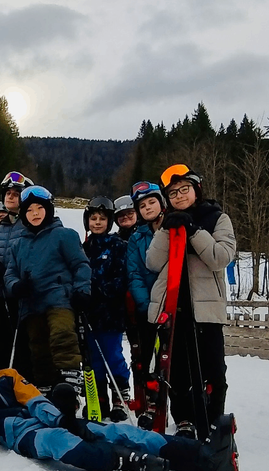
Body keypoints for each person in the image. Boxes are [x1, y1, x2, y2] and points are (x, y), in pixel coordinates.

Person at [0, 331, 238, 471]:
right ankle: (123, 460)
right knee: (58, 441)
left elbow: (34, 399)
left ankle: (206, 456)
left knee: (119, 430)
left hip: (47, 420)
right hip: (21, 433)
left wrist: (61, 417)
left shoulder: (9, 376)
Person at [147, 164, 236, 438]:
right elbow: (152, 262)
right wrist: (165, 231)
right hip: (174, 306)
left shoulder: (217, 218)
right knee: (178, 372)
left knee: (214, 370)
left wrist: (194, 231)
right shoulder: (167, 224)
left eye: (184, 189)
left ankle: (212, 420)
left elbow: (220, 258)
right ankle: (183, 420)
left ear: (195, 189)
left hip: (206, 308)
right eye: (173, 193)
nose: (179, 196)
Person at [3, 185, 90, 390]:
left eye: (39, 209)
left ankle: (69, 380)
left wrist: (82, 290)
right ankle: (45, 385)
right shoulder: (18, 244)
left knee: (61, 335)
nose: (35, 214)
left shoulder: (64, 235)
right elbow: (10, 273)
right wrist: (16, 287)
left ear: (48, 210)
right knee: (38, 346)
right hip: (32, 303)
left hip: (59, 297)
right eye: (30, 210)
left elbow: (80, 264)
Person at [82, 197, 132, 419]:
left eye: (102, 219)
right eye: (93, 218)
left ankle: (120, 395)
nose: (97, 222)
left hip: (110, 311)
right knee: (93, 357)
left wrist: (101, 289)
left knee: (112, 354)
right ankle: (99, 397)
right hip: (89, 313)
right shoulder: (83, 248)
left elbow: (123, 278)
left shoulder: (118, 246)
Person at [0, 172, 32, 374]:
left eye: (15, 193)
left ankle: (26, 384)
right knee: (1, 346)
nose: (10, 197)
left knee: (23, 347)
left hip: (23, 298)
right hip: (0, 297)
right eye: (7, 193)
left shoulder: (30, 225)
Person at [125, 181, 165, 410]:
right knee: (147, 358)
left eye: (152, 202)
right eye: (142, 205)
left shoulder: (173, 229)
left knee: (170, 359)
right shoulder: (137, 238)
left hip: (174, 305)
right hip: (148, 306)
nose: (148, 208)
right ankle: (150, 404)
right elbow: (134, 273)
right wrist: (145, 304)